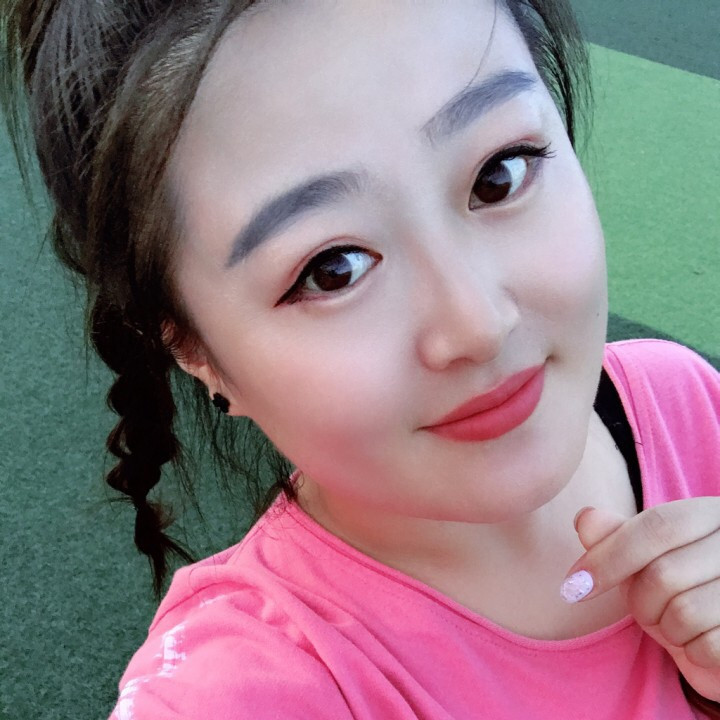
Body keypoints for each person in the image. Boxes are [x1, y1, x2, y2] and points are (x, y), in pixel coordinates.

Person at [2, 0, 719, 717]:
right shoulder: (241, 691)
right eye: (332, 270)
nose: (478, 324)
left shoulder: (681, 400)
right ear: (196, 351)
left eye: (499, 174)